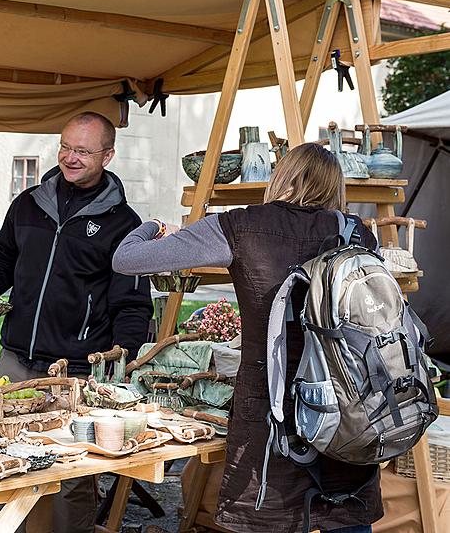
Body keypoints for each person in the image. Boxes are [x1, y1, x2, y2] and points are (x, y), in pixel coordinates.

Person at [112, 143, 381, 533]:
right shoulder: (356, 233)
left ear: (281, 176)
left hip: (271, 410)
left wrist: (153, 225)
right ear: (335, 187)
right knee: (344, 515)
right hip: (346, 405)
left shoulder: (238, 225)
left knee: (269, 515)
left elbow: (127, 259)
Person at [0, 111, 153, 533]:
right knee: (1, 463)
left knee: (71, 478)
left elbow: (134, 306)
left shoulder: (125, 225)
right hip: (15, 363)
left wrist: (119, 366)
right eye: (65, 147)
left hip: (76, 373)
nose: (69, 157)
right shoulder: (28, 204)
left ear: (108, 155)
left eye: (83, 151)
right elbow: (5, 261)